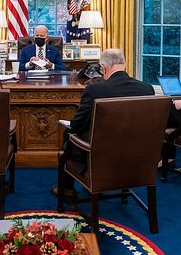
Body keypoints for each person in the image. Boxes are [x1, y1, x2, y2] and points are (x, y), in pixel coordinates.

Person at [52, 48, 153, 199]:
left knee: (69, 133)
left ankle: (67, 188)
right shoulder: (147, 88)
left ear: (103, 68)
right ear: (123, 64)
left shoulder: (95, 89)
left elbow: (77, 124)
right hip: (136, 155)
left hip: (102, 155)